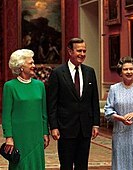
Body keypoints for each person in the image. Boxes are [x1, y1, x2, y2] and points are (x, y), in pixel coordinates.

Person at [48, 37, 100, 170]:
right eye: (79, 51)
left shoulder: (90, 72)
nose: (82, 54)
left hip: (85, 128)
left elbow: (94, 100)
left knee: (82, 166)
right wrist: (53, 126)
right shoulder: (58, 73)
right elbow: (52, 103)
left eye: (84, 51)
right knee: (66, 165)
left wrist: (95, 124)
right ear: (70, 51)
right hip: (65, 128)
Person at [2, 49, 50, 170]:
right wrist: (9, 137)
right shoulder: (10, 86)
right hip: (19, 135)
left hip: (36, 134)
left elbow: (44, 113)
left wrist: (45, 132)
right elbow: (6, 115)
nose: (34, 66)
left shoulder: (40, 85)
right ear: (21, 66)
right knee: (20, 164)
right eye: (31, 63)